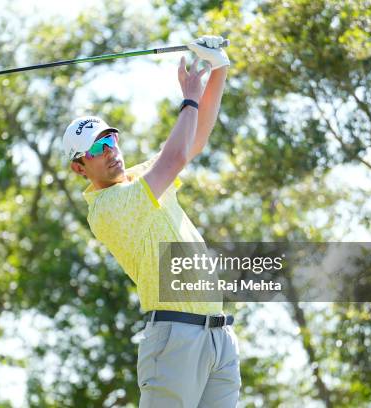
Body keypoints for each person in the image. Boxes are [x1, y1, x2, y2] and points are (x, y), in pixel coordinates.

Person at [62, 36, 240, 408]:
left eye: (110, 139)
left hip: (218, 337)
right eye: (96, 149)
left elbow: (195, 139)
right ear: (80, 167)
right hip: (174, 337)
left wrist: (218, 68)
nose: (109, 151)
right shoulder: (107, 207)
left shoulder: (143, 177)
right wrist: (190, 95)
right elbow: (174, 157)